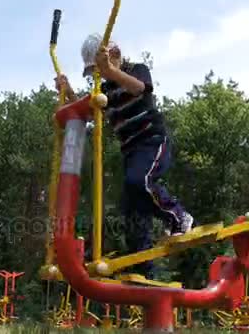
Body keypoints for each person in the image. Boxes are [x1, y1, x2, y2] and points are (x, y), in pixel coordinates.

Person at [54, 33, 194, 279]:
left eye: (101, 70)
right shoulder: (106, 89)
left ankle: (179, 217)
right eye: (96, 72)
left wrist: (110, 70)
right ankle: (145, 274)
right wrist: (68, 91)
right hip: (130, 152)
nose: (100, 76)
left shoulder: (136, 71)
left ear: (115, 55)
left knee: (139, 182)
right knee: (132, 211)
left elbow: (139, 88)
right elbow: (89, 112)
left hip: (152, 143)